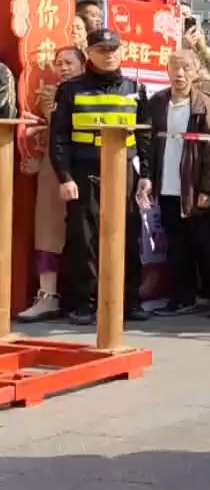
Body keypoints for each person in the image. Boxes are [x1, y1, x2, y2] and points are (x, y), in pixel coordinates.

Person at [49, 27, 150, 325]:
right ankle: (84, 303)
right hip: (84, 170)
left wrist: (146, 174)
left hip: (124, 171)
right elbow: (59, 139)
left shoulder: (134, 88)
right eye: (103, 50)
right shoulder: (70, 89)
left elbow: (145, 135)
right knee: (84, 238)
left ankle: (128, 301)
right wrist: (64, 177)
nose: (110, 56)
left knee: (128, 236)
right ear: (89, 53)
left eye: (114, 50)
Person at [143, 50, 210, 315]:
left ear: (196, 71)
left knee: (204, 244)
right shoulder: (157, 102)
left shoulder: (204, 104)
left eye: (186, 68)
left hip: (193, 186)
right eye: (174, 68)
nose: (179, 74)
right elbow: (148, 143)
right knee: (176, 245)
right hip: (166, 184)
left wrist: (207, 187)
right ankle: (182, 296)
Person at [16, 46, 85, 322]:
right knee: (48, 230)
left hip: (87, 166)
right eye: (58, 63)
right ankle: (48, 295)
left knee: (86, 235)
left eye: (69, 62)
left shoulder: (94, 91)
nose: (63, 67)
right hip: (53, 169)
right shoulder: (50, 94)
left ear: (84, 63)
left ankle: (85, 297)